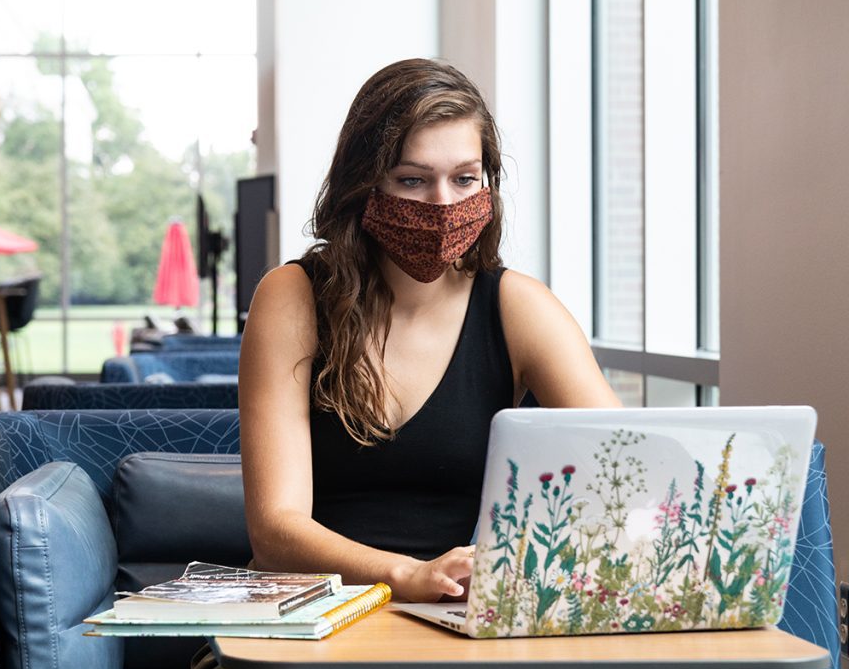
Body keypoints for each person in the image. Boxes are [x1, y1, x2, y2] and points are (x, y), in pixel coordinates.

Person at [239, 58, 621, 605]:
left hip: (444, 619)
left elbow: (628, 462)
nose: (444, 204)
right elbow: (275, 532)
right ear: (364, 184)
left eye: (465, 179)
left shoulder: (518, 307)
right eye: (412, 180)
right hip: (304, 612)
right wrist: (405, 575)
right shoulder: (292, 297)